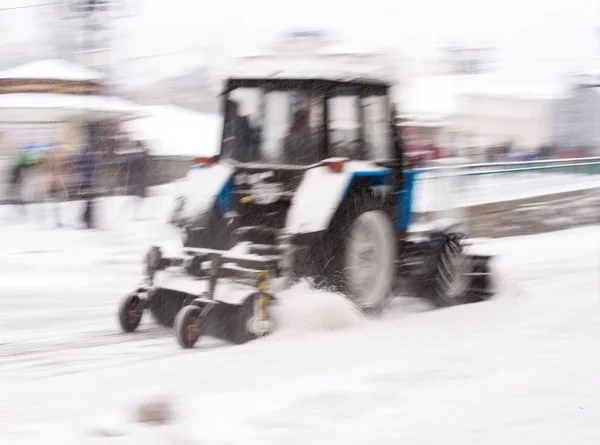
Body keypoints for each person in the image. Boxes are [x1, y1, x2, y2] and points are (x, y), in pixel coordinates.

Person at [71, 145, 98, 229]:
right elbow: (93, 168)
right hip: (86, 183)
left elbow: (76, 169)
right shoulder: (89, 159)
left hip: (83, 183)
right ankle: (87, 220)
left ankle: (86, 220)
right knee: (89, 202)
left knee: (87, 202)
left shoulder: (81, 159)